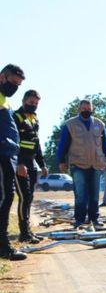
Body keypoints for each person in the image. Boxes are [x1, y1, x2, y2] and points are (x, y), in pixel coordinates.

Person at [57, 100, 106, 228]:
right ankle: (79, 220)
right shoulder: (70, 124)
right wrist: (61, 160)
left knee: (94, 195)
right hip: (78, 164)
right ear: (79, 109)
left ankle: (94, 219)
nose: (86, 110)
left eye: (88, 108)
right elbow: (63, 144)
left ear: (92, 109)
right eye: (84, 108)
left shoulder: (99, 124)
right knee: (80, 194)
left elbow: (105, 144)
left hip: (96, 163)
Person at [0, 64, 27, 261]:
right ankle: (3, 246)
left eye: (18, 84)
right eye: (13, 82)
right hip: (1, 154)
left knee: (7, 197)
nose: (15, 87)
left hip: (8, 154)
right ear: (3, 77)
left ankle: (3, 245)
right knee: (3, 198)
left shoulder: (5, 102)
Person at [14, 90, 48, 244]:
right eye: (31, 102)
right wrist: (19, 163)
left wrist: (43, 165)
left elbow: (37, 144)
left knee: (30, 198)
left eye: (36, 103)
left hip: (32, 163)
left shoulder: (34, 119)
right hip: (19, 163)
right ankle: (23, 233)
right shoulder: (16, 117)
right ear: (24, 101)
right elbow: (13, 142)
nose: (33, 105)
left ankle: (27, 231)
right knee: (24, 197)